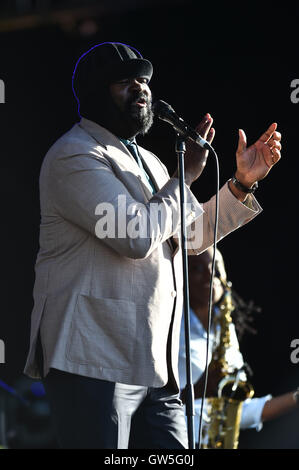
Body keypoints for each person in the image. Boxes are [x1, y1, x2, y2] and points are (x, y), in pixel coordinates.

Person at [23, 42, 282, 449]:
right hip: (93, 359)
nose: (141, 89)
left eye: (144, 80)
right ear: (95, 93)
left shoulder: (150, 162)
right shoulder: (74, 156)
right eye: (125, 82)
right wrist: (184, 178)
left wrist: (242, 183)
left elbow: (192, 238)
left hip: (155, 362)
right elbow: (136, 236)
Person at [178, 248, 299, 446]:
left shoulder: (226, 329)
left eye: (216, 267)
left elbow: (239, 411)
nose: (211, 274)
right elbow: (148, 403)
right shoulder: (168, 326)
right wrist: (200, 389)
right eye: (197, 268)